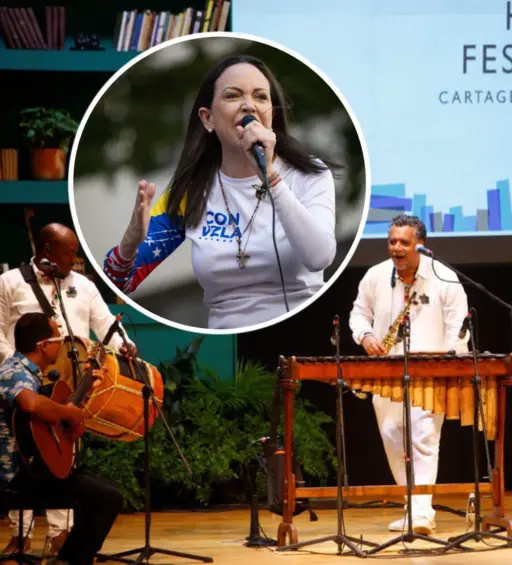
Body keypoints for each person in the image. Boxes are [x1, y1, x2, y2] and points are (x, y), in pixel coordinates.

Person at [103, 55, 338, 329]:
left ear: (271, 115)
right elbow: (116, 284)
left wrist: (271, 178)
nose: (249, 105)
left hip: (300, 333)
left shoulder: (309, 175)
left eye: (261, 97)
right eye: (233, 96)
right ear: (208, 118)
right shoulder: (193, 190)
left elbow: (319, 257)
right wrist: (129, 245)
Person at [0, 223, 133, 557]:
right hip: (26, 380)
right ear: (47, 250)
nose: (75, 259)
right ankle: (22, 532)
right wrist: (18, 368)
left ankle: (61, 534)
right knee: (24, 451)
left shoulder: (83, 286)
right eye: (69, 252)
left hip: (70, 385)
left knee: (59, 454)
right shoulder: (10, 282)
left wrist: (126, 345)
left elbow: (106, 326)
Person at [349, 214, 469, 535]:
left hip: (429, 376)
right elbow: (359, 314)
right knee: (392, 437)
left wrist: (450, 365)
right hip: (386, 374)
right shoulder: (375, 276)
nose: (396, 248)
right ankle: (413, 507)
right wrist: (365, 336)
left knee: (423, 439)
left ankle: (422, 513)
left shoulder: (444, 278)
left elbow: (460, 329)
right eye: (392, 241)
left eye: (404, 242)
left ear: (420, 244)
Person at [0, 313, 123, 565]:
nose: (62, 345)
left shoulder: (37, 377)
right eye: (58, 338)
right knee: (104, 496)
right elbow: (31, 405)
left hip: (35, 469)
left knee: (107, 493)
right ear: (43, 345)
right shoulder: (12, 371)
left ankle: (69, 559)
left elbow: (57, 429)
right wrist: (68, 411)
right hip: (16, 476)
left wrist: (73, 420)